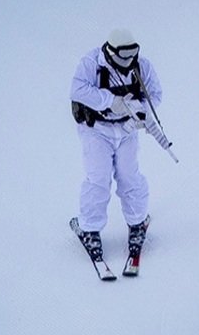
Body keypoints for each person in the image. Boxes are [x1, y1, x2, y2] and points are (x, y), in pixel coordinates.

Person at [69, 28, 161, 264]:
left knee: (129, 176)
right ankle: (89, 228)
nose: (128, 61)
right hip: (96, 130)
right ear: (110, 52)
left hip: (127, 130)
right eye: (123, 56)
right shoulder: (91, 63)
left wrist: (140, 113)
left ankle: (137, 221)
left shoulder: (142, 66)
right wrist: (111, 101)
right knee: (98, 178)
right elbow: (77, 90)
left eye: (133, 55)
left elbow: (155, 94)